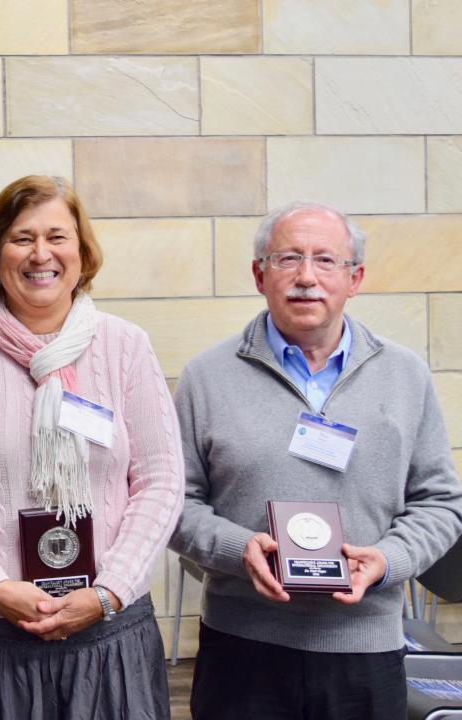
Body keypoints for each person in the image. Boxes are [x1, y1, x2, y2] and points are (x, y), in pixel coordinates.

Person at [0, 175, 183, 718]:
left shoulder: (127, 346)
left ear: (82, 251)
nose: (40, 254)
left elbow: (162, 480)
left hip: (107, 636)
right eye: (21, 238)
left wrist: (109, 591)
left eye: (57, 236)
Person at [169, 200, 462, 719]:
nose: (307, 276)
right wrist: (240, 549)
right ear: (259, 275)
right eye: (287, 259)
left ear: (356, 278)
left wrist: (388, 561)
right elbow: (175, 503)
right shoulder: (206, 377)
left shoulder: (405, 376)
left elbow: (439, 504)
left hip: (365, 649)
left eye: (326, 260)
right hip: (241, 648)